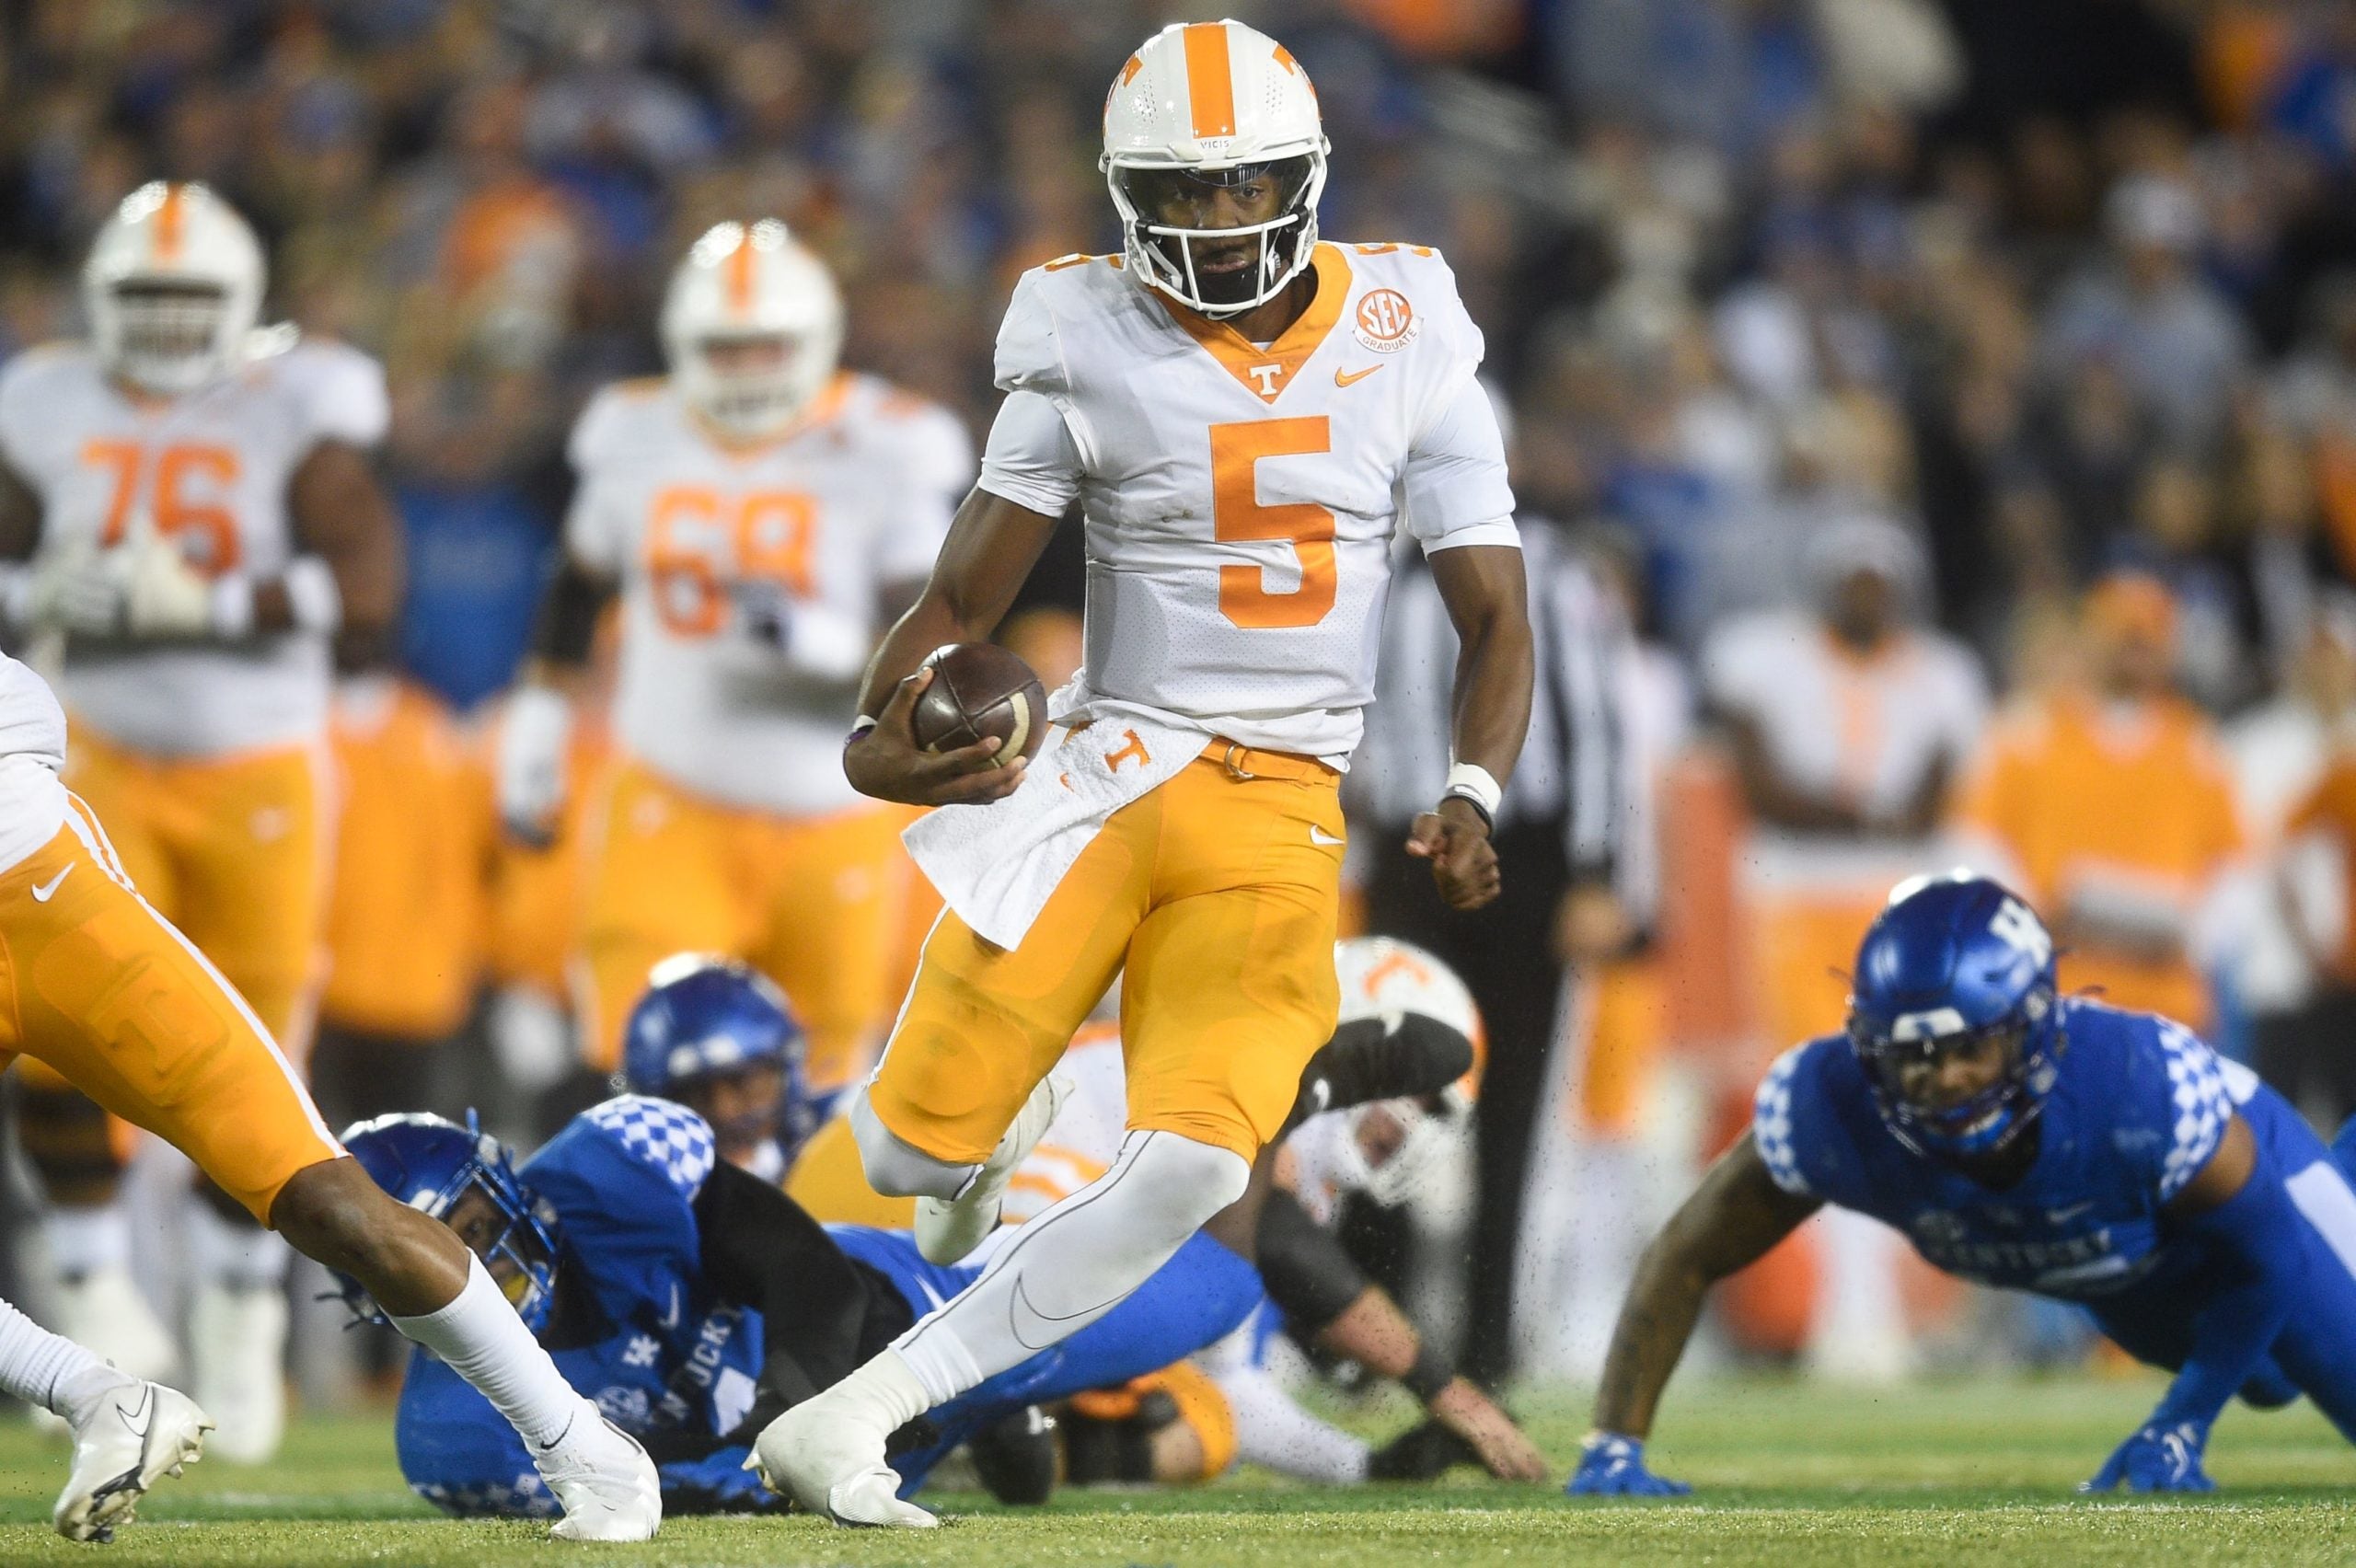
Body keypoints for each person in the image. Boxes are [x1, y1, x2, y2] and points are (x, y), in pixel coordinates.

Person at [752, 19, 1534, 1526]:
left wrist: (1475, 789)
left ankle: (860, 1415)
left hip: (1280, 805)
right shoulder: (1079, 329)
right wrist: (875, 727)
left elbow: (1495, 610)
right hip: (1107, 768)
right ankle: (997, 1142)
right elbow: (960, 597)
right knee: (908, 1152)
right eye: (1184, 190)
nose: (1221, 219)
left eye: (1246, 185)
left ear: (1302, 179)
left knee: (1192, 1172)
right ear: (1128, 196)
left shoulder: (1409, 324)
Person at [0, 647, 659, 1540]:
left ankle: (586, 1450)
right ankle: (96, 1398)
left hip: (40, 906)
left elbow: (31, 707)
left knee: (327, 1203)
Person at [0, 180, 403, 1457]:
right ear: (100, 298)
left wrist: (214, 606)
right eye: (145, 295)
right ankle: (90, 1275)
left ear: (241, 301)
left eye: (192, 296)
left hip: (261, 764)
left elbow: (370, 589)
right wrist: (33, 586)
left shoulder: (302, 396)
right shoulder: (44, 397)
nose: (170, 320)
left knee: (255, 1039)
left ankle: (239, 1301)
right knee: (57, 1016)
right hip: (99, 752)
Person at [641, 941, 1546, 1492]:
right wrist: (1444, 1386)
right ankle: (988, 1404)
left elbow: (1234, 1381)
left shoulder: (1269, 1186)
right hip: (895, 1207)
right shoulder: (1230, 1109)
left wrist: (1367, 1465)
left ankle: (987, 1429)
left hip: (922, 1243)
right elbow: (1272, 1244)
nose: (1411, 1130)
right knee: (1179, 1276)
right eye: (1412, 1099)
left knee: (1201, 1416)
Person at [1569, 871, 2356, 1497]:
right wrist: (1613, 1446)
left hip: (2260, 1206)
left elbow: (2273, 1253)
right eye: (1914, 1056)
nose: (1944, 1079)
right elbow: (1686, 1253)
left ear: (2035, 1028)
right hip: (2123, 1272)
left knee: (2310, 1345)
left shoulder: (2137, 1087)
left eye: (1970, 1048)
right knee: (2266, 1380)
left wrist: (2179, 1425)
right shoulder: (1829, 1106)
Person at [496, 218, 973, 1104]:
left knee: (822, 1085)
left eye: (769, 349)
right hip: (674, 797)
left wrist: (833, 653)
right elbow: (579, 582)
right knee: (641, 1065)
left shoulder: (889, 444)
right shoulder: (634, 430)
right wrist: (540, 715)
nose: (748, 371)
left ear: (817, 340)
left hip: (836, 811)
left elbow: (941, 636)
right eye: (725, 350)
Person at [352, 1096, 1264, 1516]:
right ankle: (1019, 1439)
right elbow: (656, 1496)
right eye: (404, 1267)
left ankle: (1294, 1095)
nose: (464, 1267)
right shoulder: (448, 1439)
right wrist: (767, 1466)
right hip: (771, 1463)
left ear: (505, 1190)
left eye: (468, 1228)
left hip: (888, 1322)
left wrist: (811, 1412)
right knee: (1078, 1464)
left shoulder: (606, 1170)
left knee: (1220, 1288)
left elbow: (805, 1273)